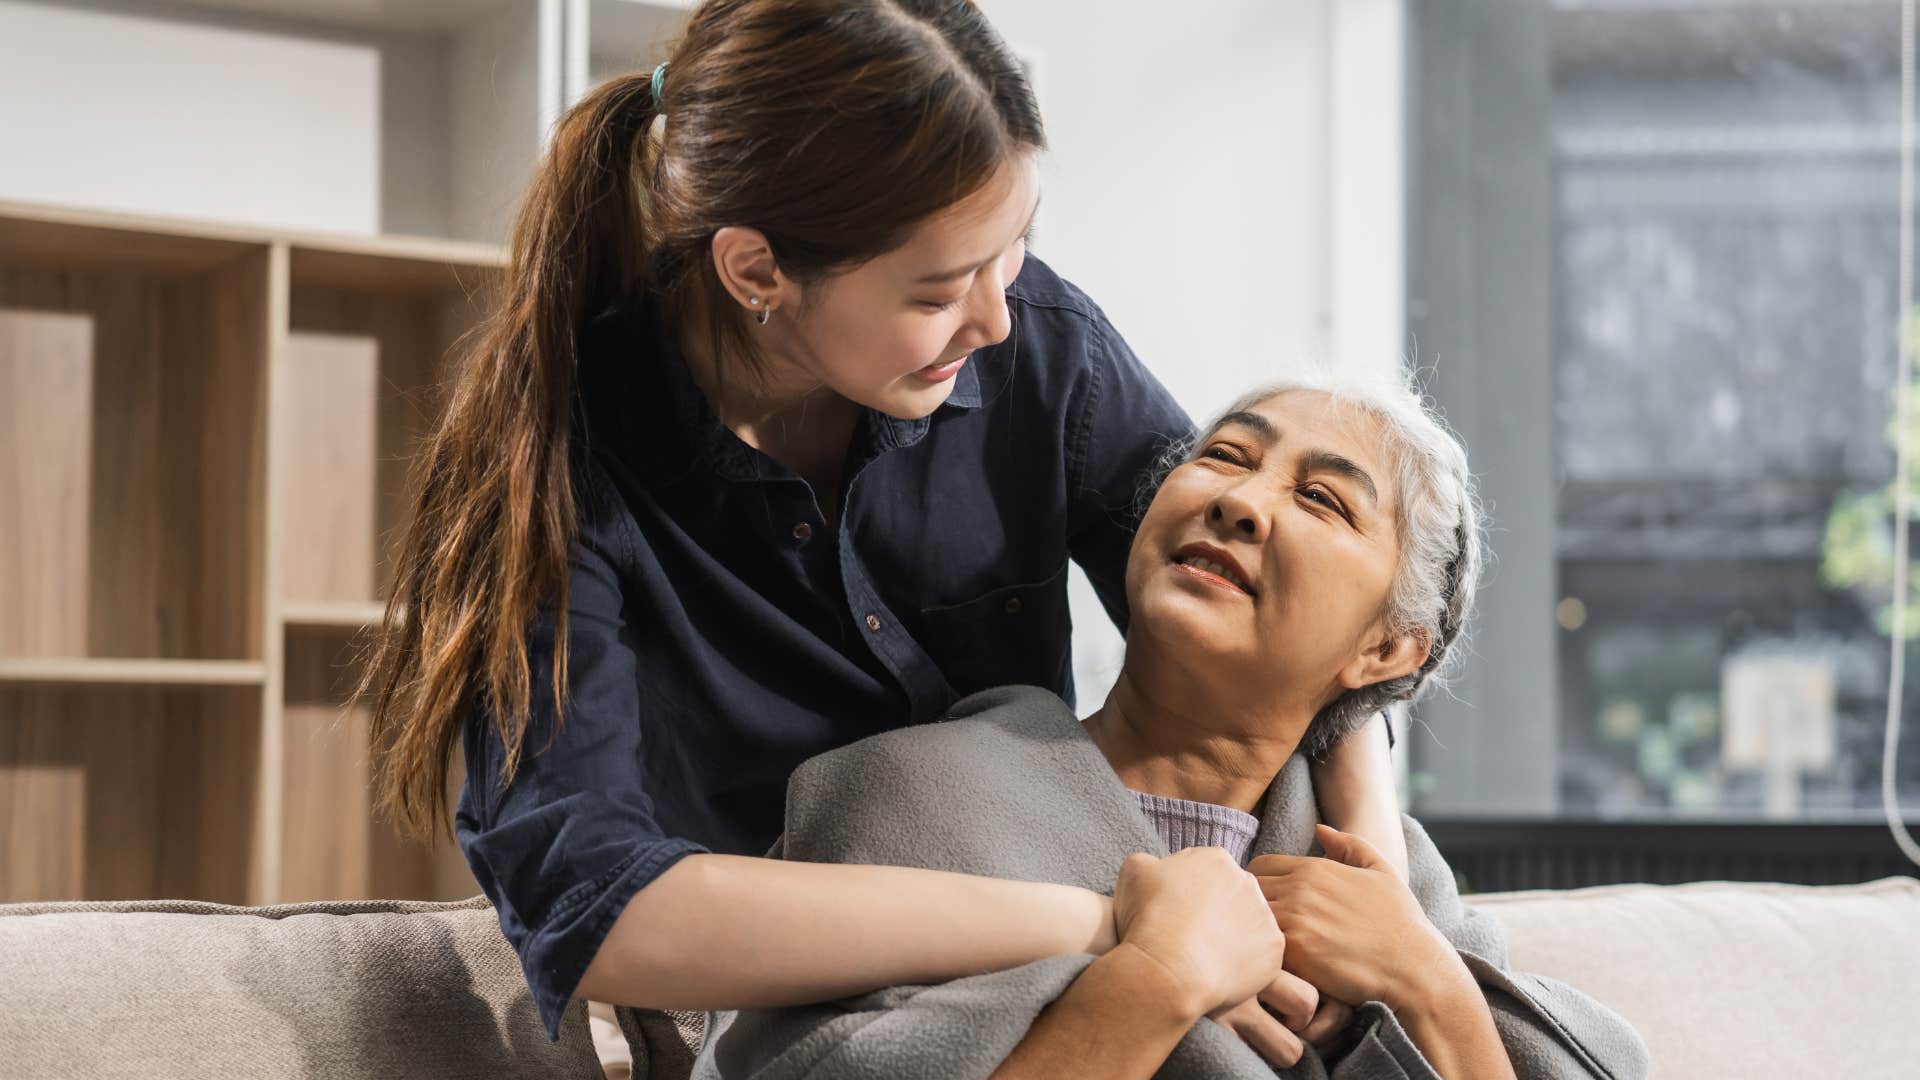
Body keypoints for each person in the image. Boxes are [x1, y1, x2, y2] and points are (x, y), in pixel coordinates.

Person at [357, 0, 1407, 1048]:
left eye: (1015, 251)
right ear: (756, 271)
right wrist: (1105, 929)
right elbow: (598, 906)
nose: (997, 316)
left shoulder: (1042, 351)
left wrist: (1376, 876)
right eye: (943, 288)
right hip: (801, 1024)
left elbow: (1280, 625)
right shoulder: (559, 463)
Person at [693, 375, 1652, 1080]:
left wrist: (1427, 984)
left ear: (1388, 652)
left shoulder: (1396, 893)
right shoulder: (904, 796)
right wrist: (1155, 980)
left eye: (1321, 498)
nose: (1238, 499)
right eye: (1224, 456)